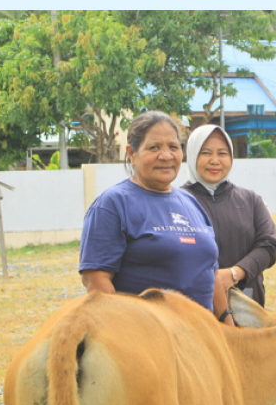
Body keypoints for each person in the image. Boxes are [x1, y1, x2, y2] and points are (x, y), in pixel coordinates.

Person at [80, 111, 226, 316]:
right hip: (147, 340)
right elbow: (96, 280)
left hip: (200, 339)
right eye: (154, 147)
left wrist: (226, 322)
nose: (166, 156)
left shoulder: (190, 201)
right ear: (132, 154)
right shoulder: (113, 204)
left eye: (173, 147)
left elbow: (211, 271)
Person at [179, 123, 276, 313]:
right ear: (192, 156)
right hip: (196, 309)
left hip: (247, 306)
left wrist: (235, 274)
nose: (215, 160)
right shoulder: (177, 202)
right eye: (206, 153)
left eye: (222, 153)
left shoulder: (250, 200)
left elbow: (269, 245)